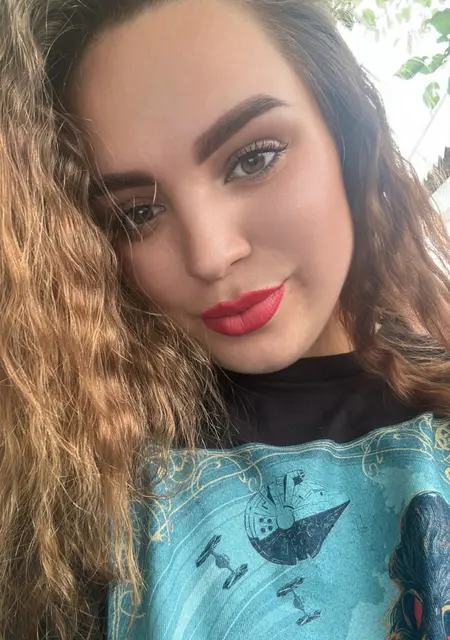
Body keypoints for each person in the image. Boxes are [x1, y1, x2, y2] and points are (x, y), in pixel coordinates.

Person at [1, 0, 449, 637]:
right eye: (137, 213)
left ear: (347, 134)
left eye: (254, 158)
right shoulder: (75, 473)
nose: (210, 256)